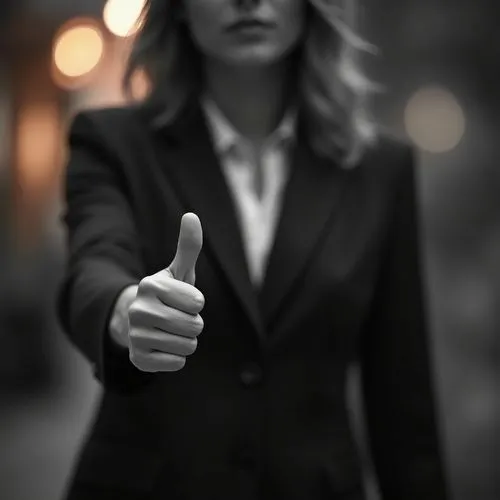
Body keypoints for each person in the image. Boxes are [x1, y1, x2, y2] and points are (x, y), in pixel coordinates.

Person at [57, 0, 450, 499]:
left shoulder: (378, 170)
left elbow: (402, 402)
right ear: (177, 9)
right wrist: (123, 311)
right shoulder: (113, 143)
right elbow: (94, 262)